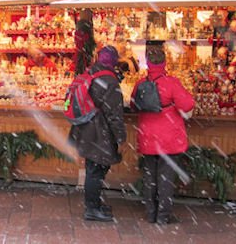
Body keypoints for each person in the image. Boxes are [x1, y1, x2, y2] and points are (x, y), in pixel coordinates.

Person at [130, 46, 194, 225]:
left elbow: (134, 105)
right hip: (168, 139)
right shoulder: (171, 82)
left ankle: (151, 213)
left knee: (150, 176)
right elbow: (187, 104)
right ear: (165, 62)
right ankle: (163, 215)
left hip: (148, 137)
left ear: (147, 63)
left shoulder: (140, 84)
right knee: (165, 178)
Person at [68, 45, 127, 222]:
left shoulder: (89, 73)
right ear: (113, 61)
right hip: (99, 131)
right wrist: (121, 138)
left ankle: (94, 204)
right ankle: (92, 208)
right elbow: (114, 114)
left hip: (85, 129)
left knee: (93, 168)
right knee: (96, 170)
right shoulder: (109, 81)